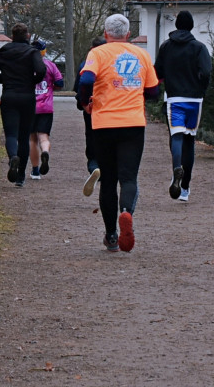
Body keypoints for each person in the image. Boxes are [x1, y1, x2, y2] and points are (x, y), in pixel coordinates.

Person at [76, 14, 159, 253]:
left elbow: (86, 79)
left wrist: (85, 102)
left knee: (108, 181)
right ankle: (127, 212)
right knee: (129, 178)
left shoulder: (98, 53)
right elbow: (153, 91)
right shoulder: (141, 54)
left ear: (105, 33)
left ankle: (111, 235)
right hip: (133, 123)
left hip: (103, 124)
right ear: (128, 34)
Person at [154, 10, 212, 203]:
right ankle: (185, 187)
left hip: (174, 98)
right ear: (192, 26)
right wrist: (200, 89)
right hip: (194, 99)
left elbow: (157, 72)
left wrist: (167, 82)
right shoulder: (199, 48)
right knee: (190, 140)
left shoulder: (166, 47)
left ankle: (176, 167)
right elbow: (206, 71)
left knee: (176, 136)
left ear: (176, 25)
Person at [0, 23, 45, 187]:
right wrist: (31, 81)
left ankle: (13, 156)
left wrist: (5, 79)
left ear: (12, 36)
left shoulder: (4, 52)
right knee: (24, 136)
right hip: (27, 96)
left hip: (9, 95)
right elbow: (41, 71)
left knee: (11, 134)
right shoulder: (32, 52)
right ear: (27, 36)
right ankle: (20, 177)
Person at [73, 36, 105, 195]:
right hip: (109, 110)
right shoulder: (111, 64)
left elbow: (79, 88)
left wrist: (83, 104)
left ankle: (94, 168)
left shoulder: (85, 65)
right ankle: (106, 172)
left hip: (91, 110)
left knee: (92, 144)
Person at [29, 38, 64, 179]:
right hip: (46, 106)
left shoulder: (27, 65)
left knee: (32, 139)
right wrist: (51, 88)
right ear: (44, 51)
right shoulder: (50, 65)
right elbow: (60, 82)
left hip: (30, 106)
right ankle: (46, 152)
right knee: (44, 136)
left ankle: (35, 170)